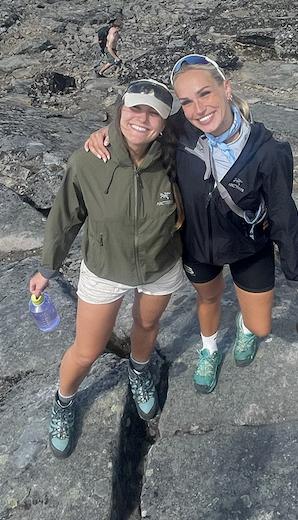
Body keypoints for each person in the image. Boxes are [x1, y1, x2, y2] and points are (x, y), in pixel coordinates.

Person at [86, 54, 298, 395]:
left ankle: (245, 327)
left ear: (226, 89)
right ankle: (209, 350)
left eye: (205, 94)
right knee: (208, 299)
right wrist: (107, 133)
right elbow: (140, 126)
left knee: (260, 326)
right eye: (186, 102)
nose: (198, 109)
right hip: (198, 247)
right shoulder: (179, 133)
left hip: (249, 248)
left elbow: (284, 217)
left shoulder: (268, 152)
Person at [30, 79, 184, 458]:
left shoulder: (179, 158)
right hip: (104, 268)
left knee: (146, 324)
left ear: (165, 123)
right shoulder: (87, 161)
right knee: (87, 351)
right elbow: (65, 218)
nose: (142, 119)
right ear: (119, 111)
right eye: (134, 108)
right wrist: (47, 268)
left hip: (160, 266)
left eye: (153, 113)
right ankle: (64, 401)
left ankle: (139, 369)